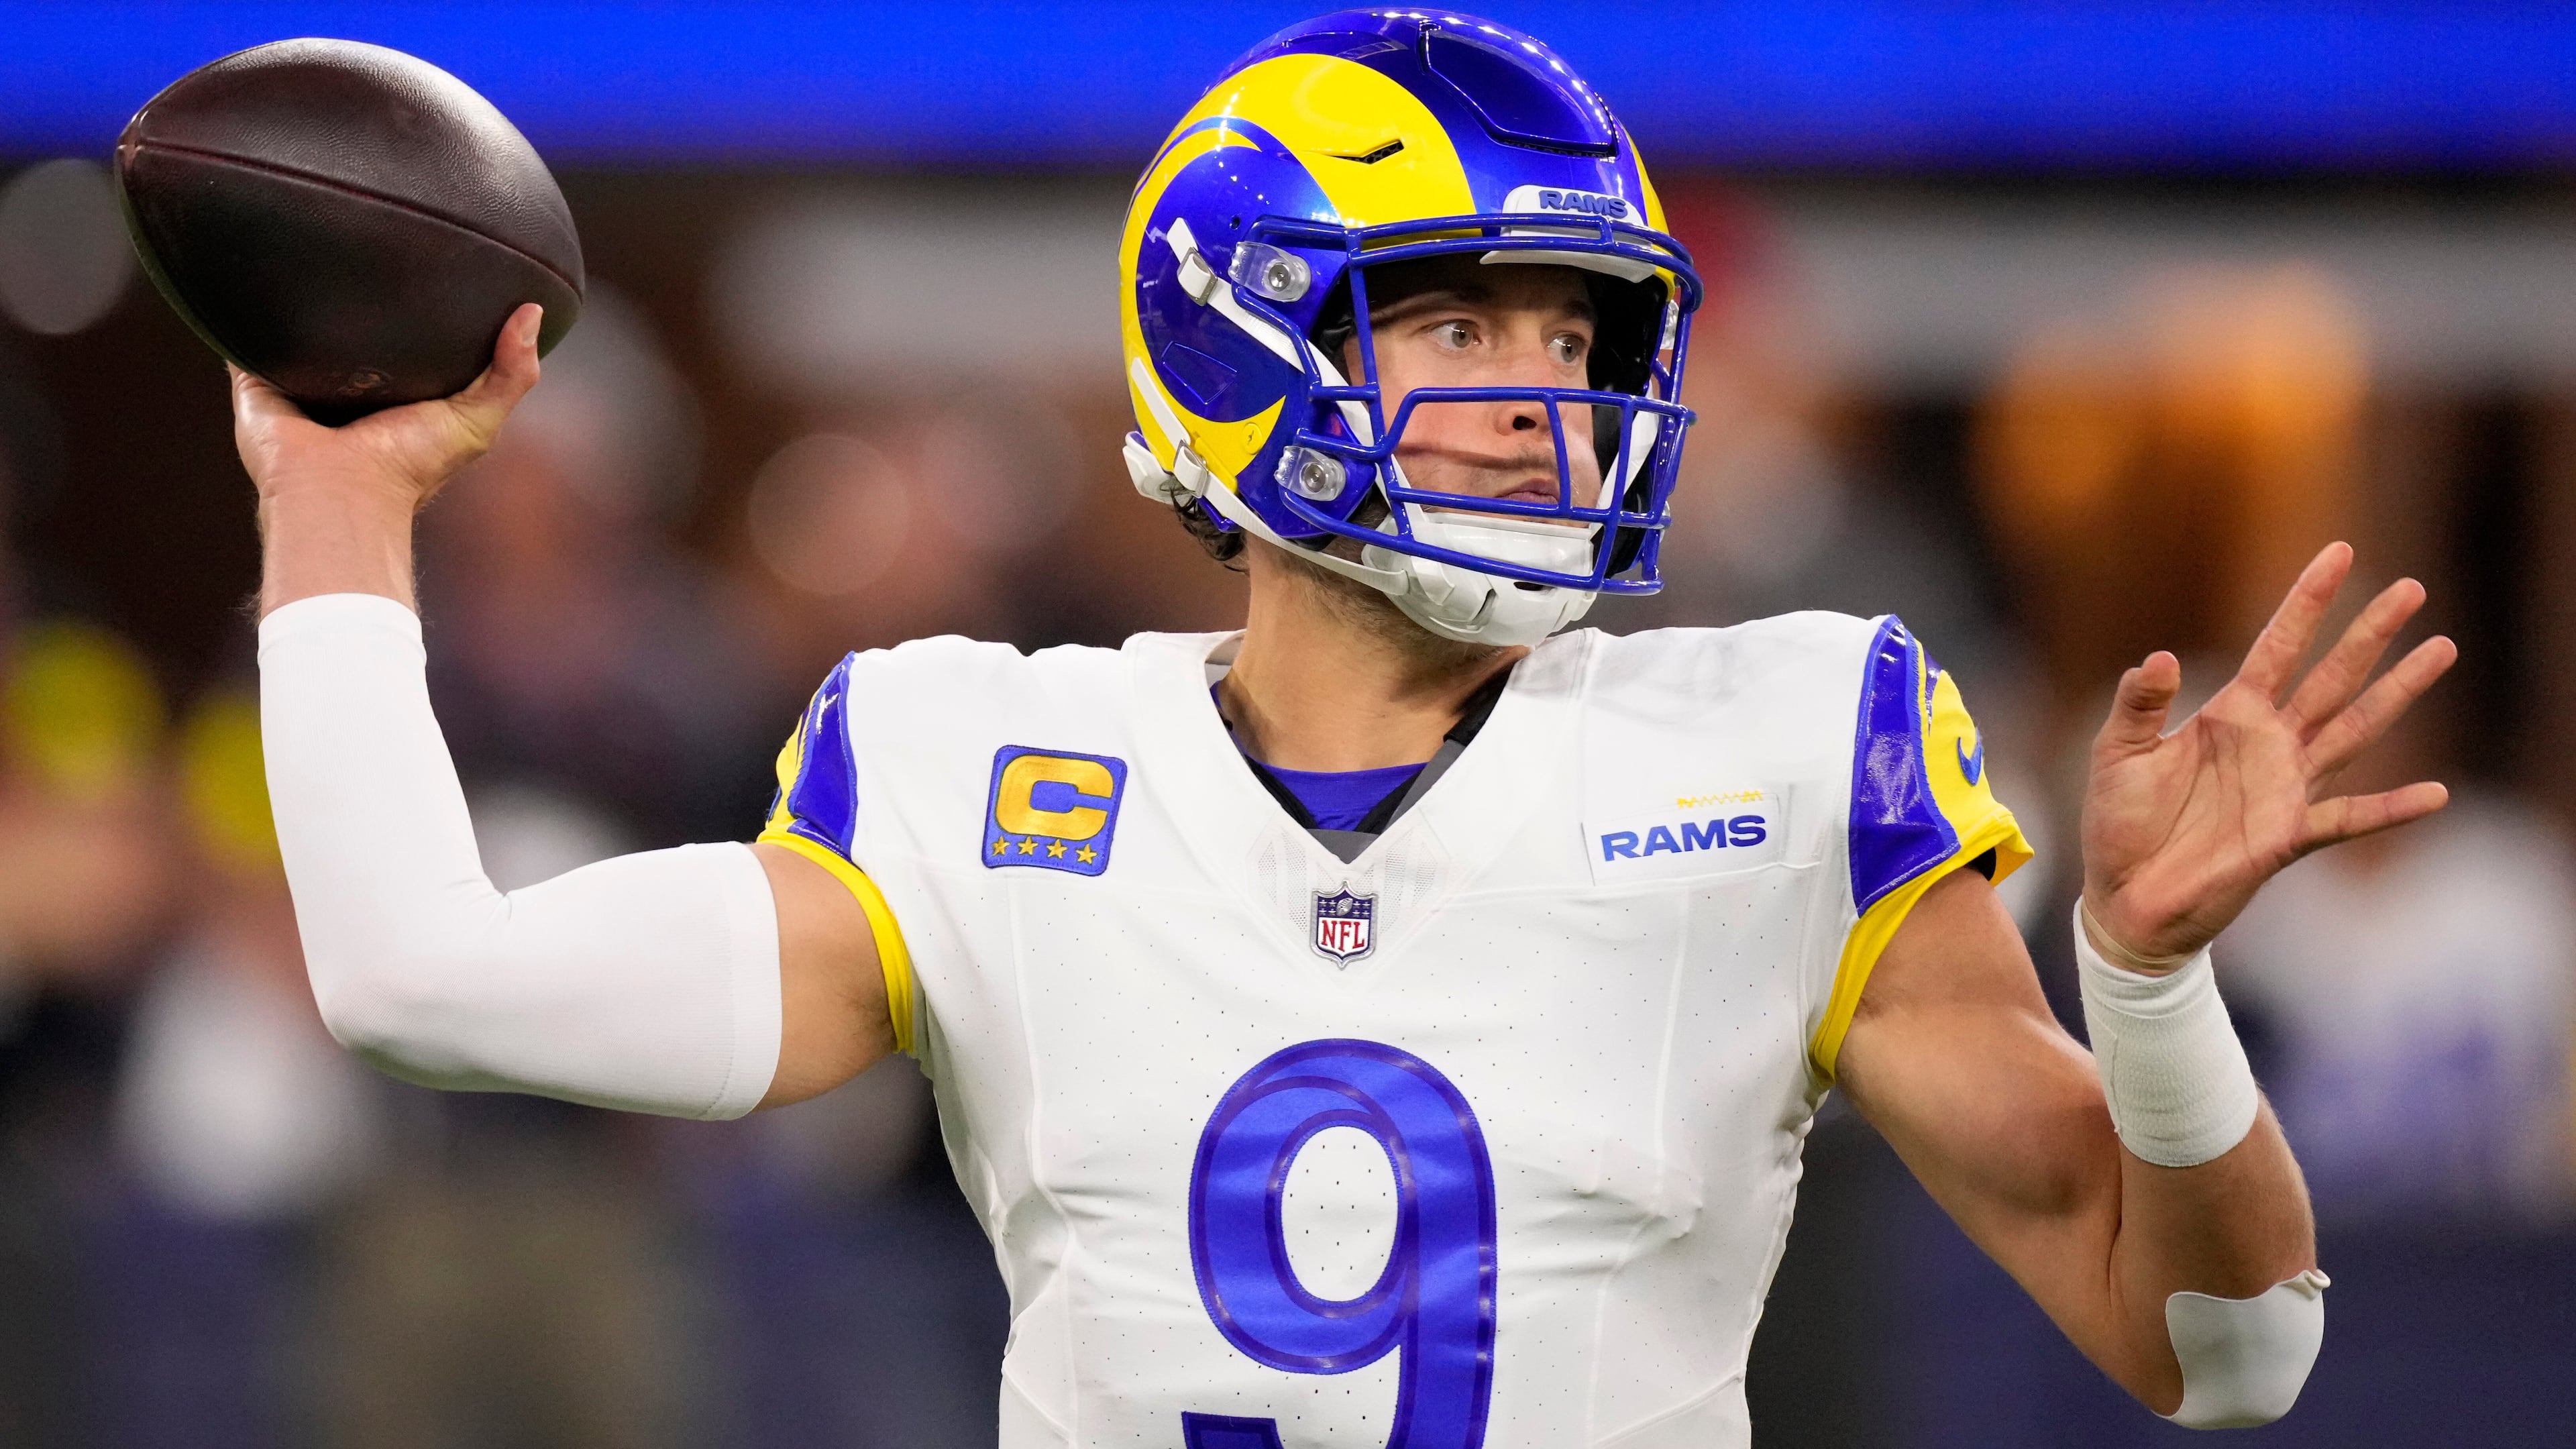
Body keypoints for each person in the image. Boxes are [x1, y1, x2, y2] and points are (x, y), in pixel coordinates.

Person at [233, 12, 2457, 1446]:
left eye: (1580, 333)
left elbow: (2226, 1357)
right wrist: (336, 495)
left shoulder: (1789, 747)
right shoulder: (970, 771)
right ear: (1238, 350)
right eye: (1458, 317)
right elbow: (419, 977)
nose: (1545, 393)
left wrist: (2151, 991)